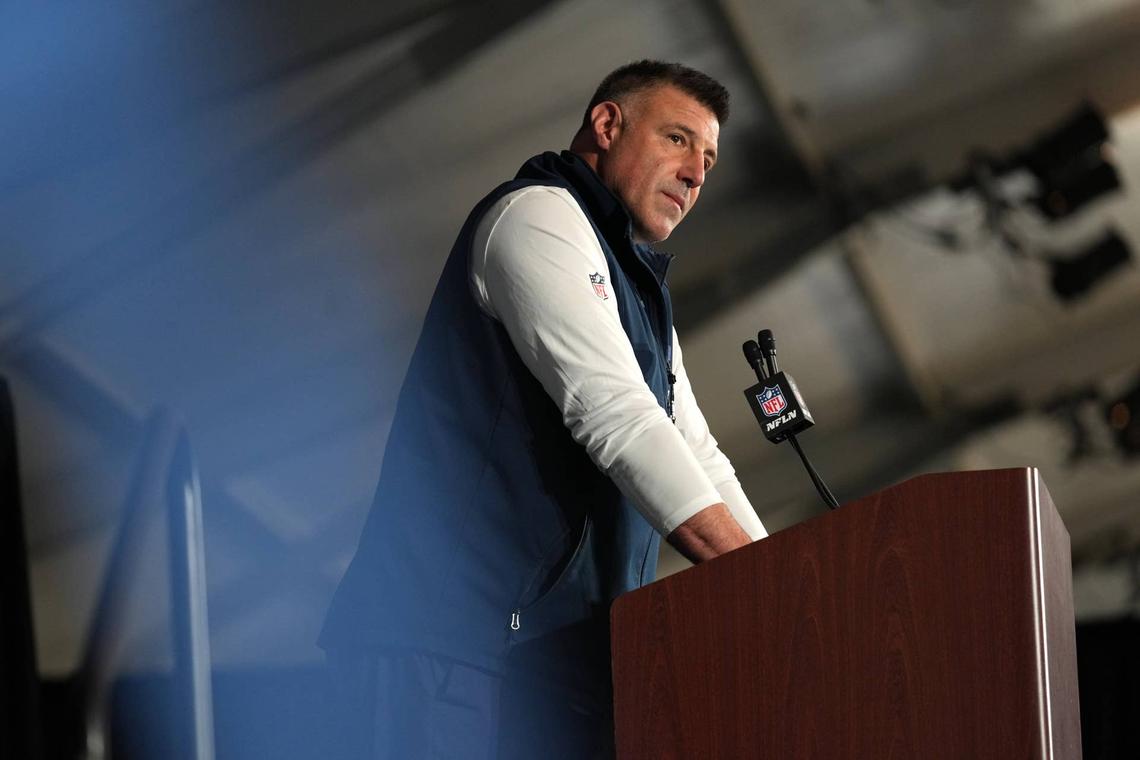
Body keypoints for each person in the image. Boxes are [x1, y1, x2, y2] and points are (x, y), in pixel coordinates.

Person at [320, 60, 767, 759]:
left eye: (708, 158)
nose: (696, 172)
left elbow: (699, 454)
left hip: (553, 669)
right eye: (678, 139)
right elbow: (616, 416)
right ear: (607, 124)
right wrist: (766, 583)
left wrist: (791, 578)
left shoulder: (642, 291)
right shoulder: (536, 216)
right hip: (448, 644)